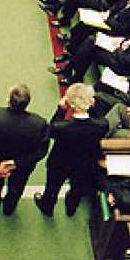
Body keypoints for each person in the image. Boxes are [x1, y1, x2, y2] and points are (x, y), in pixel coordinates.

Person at [35, 84, 108, 217]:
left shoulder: (61, 127)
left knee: (52, 187)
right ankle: (71, 208)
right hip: (84, 164)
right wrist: (93, 107)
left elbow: (51, 129)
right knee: (77, 189)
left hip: (59, 163)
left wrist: (61, 110)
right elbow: (100, 118)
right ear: (90, 102)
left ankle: (47, 207)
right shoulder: (101, 125)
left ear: (69, 103)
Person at [0, 84, 49, 215]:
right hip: (21, 167)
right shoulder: (39, 124)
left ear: (8, 100)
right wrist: (15, 163)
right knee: (16, 187)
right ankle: (9, 208)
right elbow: (40, 151)